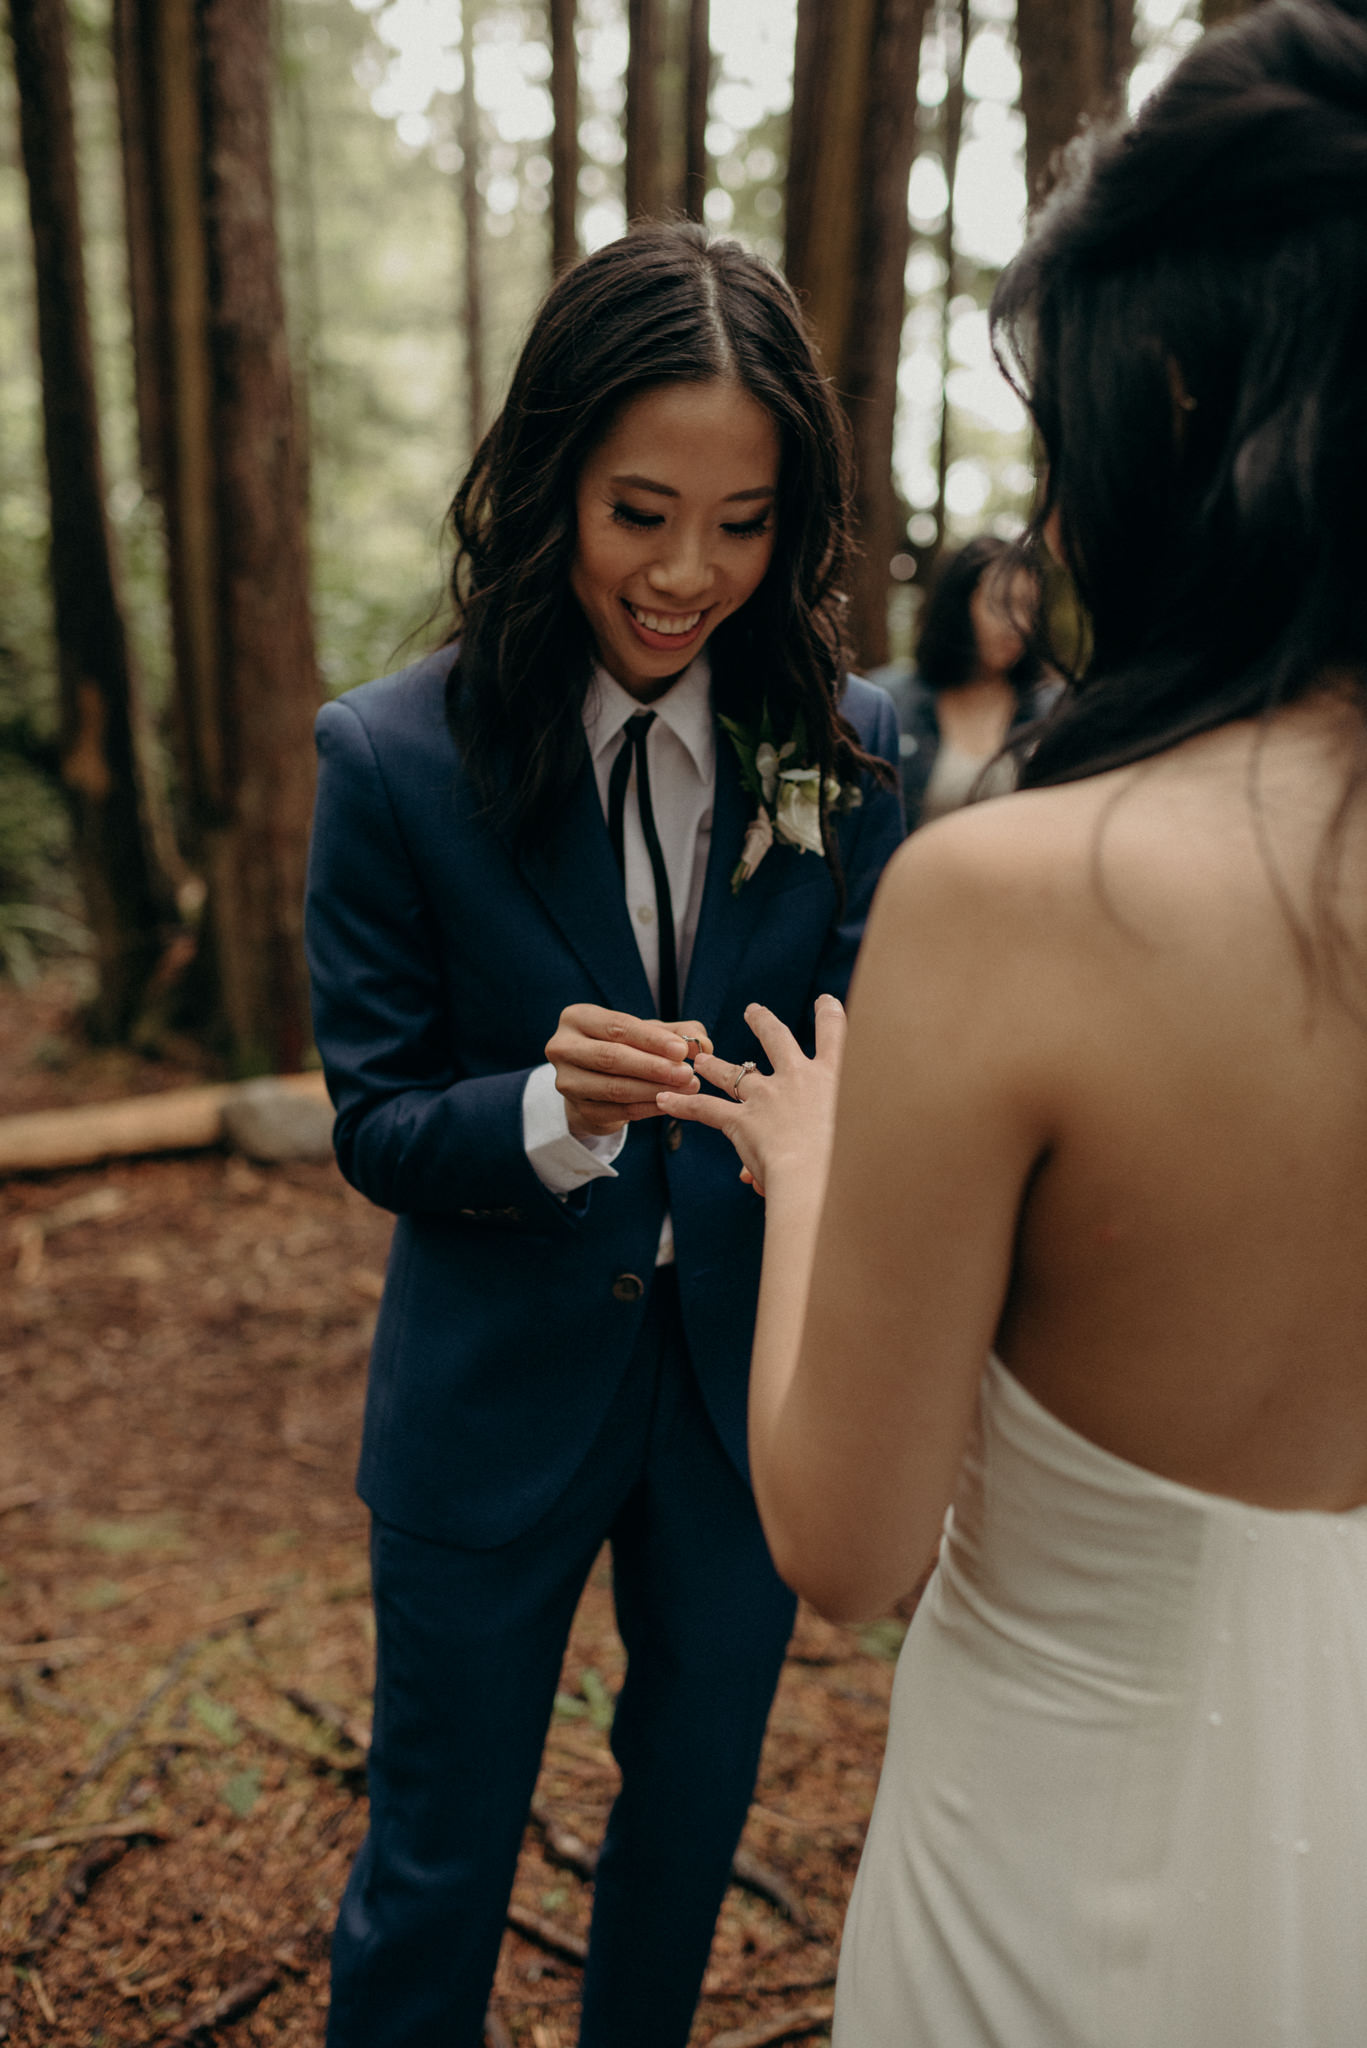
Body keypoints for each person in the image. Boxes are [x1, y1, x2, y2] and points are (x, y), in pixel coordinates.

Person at [659, 2, 1367, 2040]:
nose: (1040, 535)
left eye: (1057, 448)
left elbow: (844, 1538)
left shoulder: (1015, 897)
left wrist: (805, 1161)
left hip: (1055, 1873)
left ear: (1168, 404)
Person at [304, 220, 903, 2048]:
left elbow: (871, 1048)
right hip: (486, 1413)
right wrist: (547, 1110)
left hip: (741, 1402)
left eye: (740, 524)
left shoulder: (850, 747)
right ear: (552, 466)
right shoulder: (390, 757)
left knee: (686, 1839)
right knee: (434, 1863)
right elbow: (379, 1119)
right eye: (641, 511)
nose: (686, 574)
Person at [874, 535, 1049, 829]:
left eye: (1028, 608)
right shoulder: (889, 700)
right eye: (1001, 604)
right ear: (958, 605)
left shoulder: (1052, 710)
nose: (1018, 624)